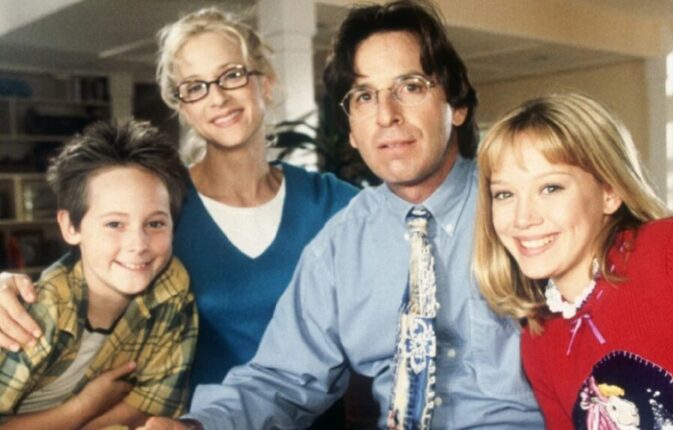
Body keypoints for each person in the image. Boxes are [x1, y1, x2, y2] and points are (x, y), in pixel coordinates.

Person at [136, 1, 543, 429]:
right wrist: (197, 426)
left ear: (457, 105)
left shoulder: (525, 208)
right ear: (351, 127)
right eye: (365, 96)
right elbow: (282, 379)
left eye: (410, 87)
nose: (386, 115)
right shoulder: (340, 244)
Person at [0, 6, 357, 409]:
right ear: (183, 107)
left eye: (232, 75)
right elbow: (83, 273)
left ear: (267, 83)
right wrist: (7, 287)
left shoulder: (332, 203)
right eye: (195, 86)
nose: (217, 97)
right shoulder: (158, 205)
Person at [473, 93, 673, 428]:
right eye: (504, 194)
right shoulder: (539, 337)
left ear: (609, 191)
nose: (522, 218)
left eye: (550, 188)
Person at [0, 120, 197, 429]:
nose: (138, 245)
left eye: (155, 223)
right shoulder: (34, 314)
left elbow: (154, 403)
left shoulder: (171, 287)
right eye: (114, 224)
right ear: (70, 227)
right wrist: (83, 408)